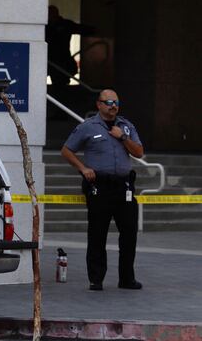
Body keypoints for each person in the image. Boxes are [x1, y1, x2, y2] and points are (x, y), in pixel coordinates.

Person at [60, 89, 144, 291]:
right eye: (107, 102)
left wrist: (123, 137)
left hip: (124, 186)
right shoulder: (88, 127)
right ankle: (96, 279)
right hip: (100, 185)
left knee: (129, 234)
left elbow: (139, 152)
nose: (112, 105)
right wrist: (83, 168)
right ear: (98, 104)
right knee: (98, 233)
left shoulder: (126, 126)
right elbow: (66, 150)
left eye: (115, 102)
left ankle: (126, 278)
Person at [46, 5, 94, 88]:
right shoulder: (45, 26)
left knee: (61, 83)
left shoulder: (65, 25)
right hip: (49, 60)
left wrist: (95, 30)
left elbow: (82, 29)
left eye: (51, 13)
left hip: (62, 60)